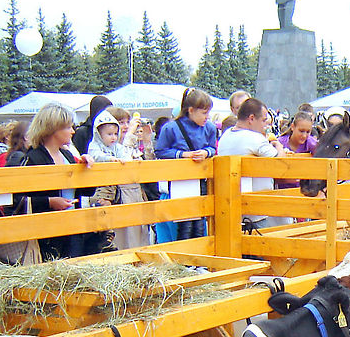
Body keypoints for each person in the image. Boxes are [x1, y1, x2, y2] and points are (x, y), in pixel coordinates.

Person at [23, 103, 95, 259]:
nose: (73, 131)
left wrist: (86, 170)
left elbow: (87, 191)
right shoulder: (33, 158)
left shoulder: (68, 156)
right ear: (53, 129)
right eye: (68, 127)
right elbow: (18, 200)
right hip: (47, 233)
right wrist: (49, 202)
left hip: (72, 230)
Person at [217, 97, 291, 229]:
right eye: (263, 120)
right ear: (251, 118)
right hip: (254, 212)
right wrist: (278, 145)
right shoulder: (255, 138)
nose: (265, 125)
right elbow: (280, 162)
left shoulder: (226, 135)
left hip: (228, 207)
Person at [155, 87, 218, 240]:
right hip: (180, 182)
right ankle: (187, 260)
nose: (207, 117)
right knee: (184, 222)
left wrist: (206, 152)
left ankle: (199, 259)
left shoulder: (209, 128)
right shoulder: (171, 128)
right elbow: (160, 151)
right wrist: (182, 155)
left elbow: (213, 147)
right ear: (191, 110)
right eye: (204, 113)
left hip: (201, 180)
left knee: (200, 222)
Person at [88, 110, 151, 250]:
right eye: (109, 134)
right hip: (104, 190)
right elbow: (96, 156)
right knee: (111, 230)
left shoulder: (118, 147)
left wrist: (129, 160)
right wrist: (111, 159)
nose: (113, 137)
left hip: (125, 190)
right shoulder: (95, 146)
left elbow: (126, 156)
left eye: (115, 134)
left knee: (131, 230)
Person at [275, 110, 317, 190]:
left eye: (308, 132)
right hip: (282, 191)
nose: (304, 135)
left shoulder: (311, 143)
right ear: (292, 127)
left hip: (303, 191)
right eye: (301, 131)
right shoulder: (280, 142)